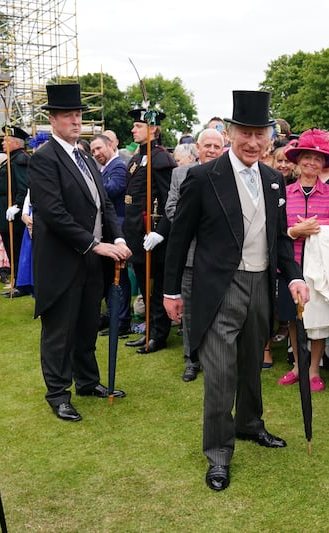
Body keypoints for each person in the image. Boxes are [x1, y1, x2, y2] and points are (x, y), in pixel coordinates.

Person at [163, 90, 309, 491]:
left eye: (260, 134)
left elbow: (280, 239)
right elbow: (179, 238)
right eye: (245, 132)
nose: (253, 142)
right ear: (229, 133)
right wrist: (171, 291)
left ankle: (249, 424)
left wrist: (293, 275)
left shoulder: (274, 179)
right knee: (220, 374)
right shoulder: (201, 177)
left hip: (261, 284)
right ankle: (218, 454)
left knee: (251, 366)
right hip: (218, 288)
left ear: (270, 138)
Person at [28, 83, 131, 422]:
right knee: (60, 331)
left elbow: (104, 205)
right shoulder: (44, 159)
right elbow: (53, 213)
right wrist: (92, 243)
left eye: (78, 115)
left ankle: (88, 382)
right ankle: (58, 393)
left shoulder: (85, 156)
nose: (75, 121)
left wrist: (116, 239)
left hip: (93, 259)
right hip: (62, 261)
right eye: (67, 115)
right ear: (53, 120)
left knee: (87, 324)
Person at [275, 129, 329, 392]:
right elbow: (276, 230)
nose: (311, 163)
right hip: (290, 263)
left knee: (318, 317)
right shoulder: (283, 192)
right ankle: (297, 366)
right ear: (297, 161)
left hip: (319, 266)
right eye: (306, 158)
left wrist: (317, 226)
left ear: (324, 164)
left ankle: (313, 369)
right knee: (293, 317)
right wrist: (294, 231)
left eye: (317, 159)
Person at [165, 128, 226, 382]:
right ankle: (191, 359)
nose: (211, 150)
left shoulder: (229, 175)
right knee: (188, 309)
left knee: (221, 309)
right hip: (190, 254)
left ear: (223, 149)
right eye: (207, 145)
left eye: (216, 146)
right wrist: (198, 223)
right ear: (197, 148)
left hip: (221, 257)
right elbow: (171, 209)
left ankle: (216, 357)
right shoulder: (180, 174)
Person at [122, 107, 177, 354]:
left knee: (155, 286)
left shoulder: (161, 159)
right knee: (145, 286)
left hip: (152, 232)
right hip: (135, 231)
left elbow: (170, 200)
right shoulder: (137, 157)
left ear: (152, 129)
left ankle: (158, 334)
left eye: (138, 125)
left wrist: (161, 231)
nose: (133, 129)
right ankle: (148, 328)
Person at [90, 133, 131, 337]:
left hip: (118, 231)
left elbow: (113, 189)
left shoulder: (119, 167)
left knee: (119, 278)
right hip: (106, 233)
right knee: (110, 279)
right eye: (93, 151)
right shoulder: (104, 169)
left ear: (111, 145)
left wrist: (89, 187)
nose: (96, 153)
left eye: (99, 148)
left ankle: (122, 321)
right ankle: (113, 318)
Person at [0, 125, 30, 295]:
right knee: (11, 249)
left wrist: (17, 206)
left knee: (16, 248)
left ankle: (21, 284)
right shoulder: (11, 158)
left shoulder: (20, 159)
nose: (3, 143)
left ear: (16, 143)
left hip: (13, 211)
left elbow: (23, 185)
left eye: (6, 140)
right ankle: (17, 281)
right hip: (3, 210)